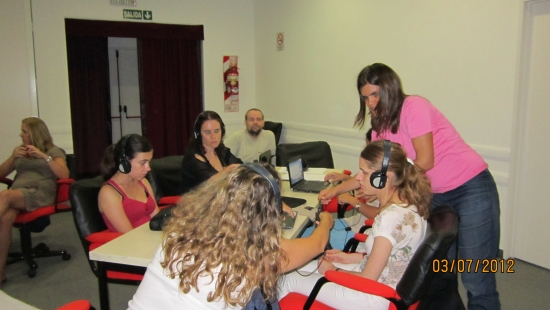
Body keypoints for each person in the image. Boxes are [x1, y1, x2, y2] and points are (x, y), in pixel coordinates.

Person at [355, 63, 501, 310]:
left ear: (389, 90)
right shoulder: (380, 131)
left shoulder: (413, 106)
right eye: (365, 97)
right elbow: (374, 172)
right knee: (440, 274)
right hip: (434, 195)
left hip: (470, 186)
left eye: (375, 95)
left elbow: (424, 160)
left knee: (476, 275)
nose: (370, 103)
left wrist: (388, 186)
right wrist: (339, 189)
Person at [128, 163, 333, 309]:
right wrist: (326, 221)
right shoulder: (259, 256)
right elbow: (318, 243)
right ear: (268, 212)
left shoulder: (179, 230)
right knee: (262, 295)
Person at [278, 141, 431, 309]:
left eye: (364, 173)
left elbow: (368, 278)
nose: (358, 178)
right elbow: (396, 258)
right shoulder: (408, 205)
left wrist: (333, 271)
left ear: (382, 179)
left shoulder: (391, 217)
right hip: (384, 283)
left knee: (287, 278)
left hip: (373, 294)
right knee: (301, 265)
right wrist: (350, 257)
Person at [0, 117, 70, 283]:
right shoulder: (21, 151)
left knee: (5, 195)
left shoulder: (53, 151)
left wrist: (43, 156)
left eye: (24, 131)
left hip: (40, 193)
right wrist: (12, 157)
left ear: (35, 133)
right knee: (6, 218)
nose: (21, 134)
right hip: (19, 194)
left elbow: (64, 175)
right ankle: (0, 272)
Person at [98, 134, 159, 233]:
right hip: (131, 243)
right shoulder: (108, 193)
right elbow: (128, 235)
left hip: (150, 239)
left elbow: (157, 221)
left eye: (149, 162)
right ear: (124, 163)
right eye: (143, 163)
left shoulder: (143, 182)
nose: (148, 168)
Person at [180, 111, 243, 194]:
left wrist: (225, 172)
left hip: (220, 199)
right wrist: (227, 170)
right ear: (198, 134)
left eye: (217, 131)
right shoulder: (193, 156)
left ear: (222, 131)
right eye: (208, 132)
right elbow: (209, 184)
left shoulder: (222, 151)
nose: (213, 136)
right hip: (197, 202)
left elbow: (242, 167)